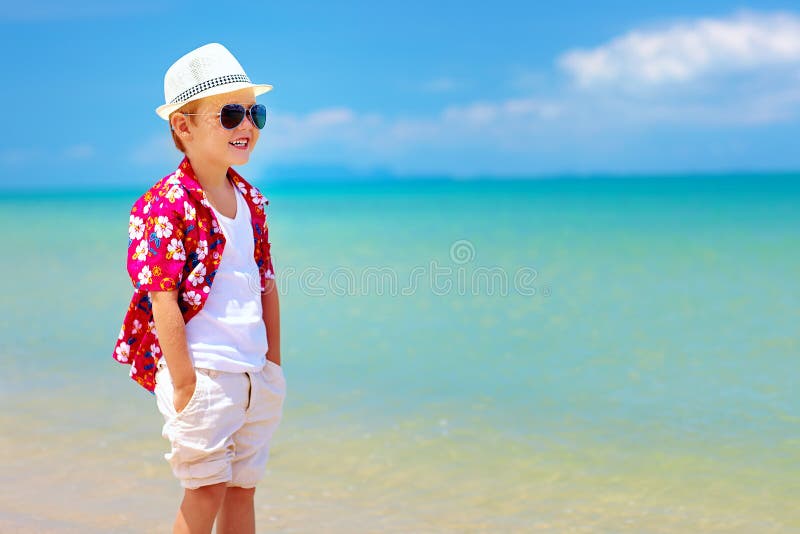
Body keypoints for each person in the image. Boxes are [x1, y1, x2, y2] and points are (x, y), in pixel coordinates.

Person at [111, 42, 286, 534]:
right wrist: (186, 385)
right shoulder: (164, 205)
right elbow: (159, 295)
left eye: (255, 112)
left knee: (241, 490)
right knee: (205, 488)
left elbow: (266, 283)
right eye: (230, 113)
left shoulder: (250, 199)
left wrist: (273, 364)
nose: (246, 125)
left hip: (253, 372)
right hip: (204, 372)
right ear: (183, 127)